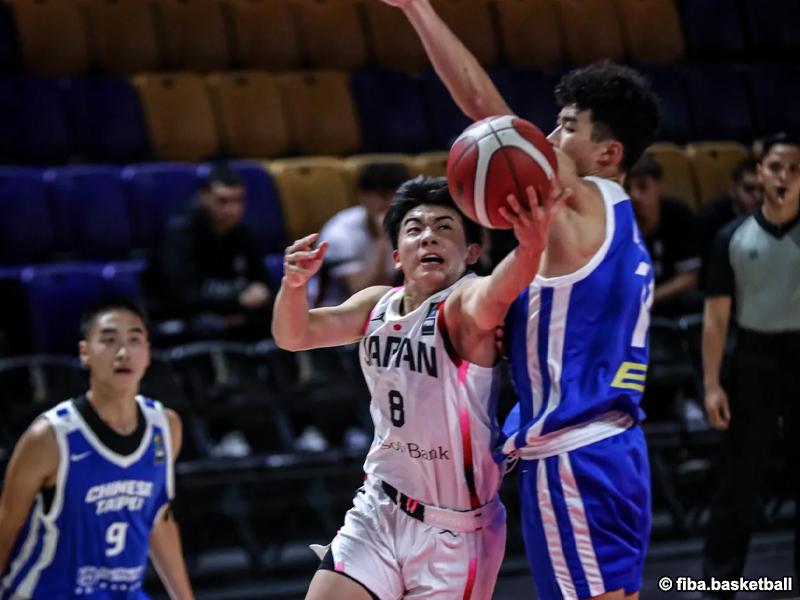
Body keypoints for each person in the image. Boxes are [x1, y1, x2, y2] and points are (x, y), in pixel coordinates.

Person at [378, 1, 660, 597]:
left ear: (608, 153)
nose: (548, 138)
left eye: (567, 127)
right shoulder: (624, 226)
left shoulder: (579, 204)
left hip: (573, 458)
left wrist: (417, 10)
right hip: (620, 450)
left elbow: (484, 109)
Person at [273, 175, 566, 600]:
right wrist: (294, 285)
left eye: (444, 227)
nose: (429, 236)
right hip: (381, 506)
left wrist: (530, 247)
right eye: (414, 229)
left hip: (455, 531)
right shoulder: (375, 304)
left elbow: (499, 289)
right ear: (397, 255)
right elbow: (293, 335)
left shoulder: (465, 304)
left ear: (471, 252)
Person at [0, 296, 194, 600]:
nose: (123, 352)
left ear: (147, 353)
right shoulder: (49, 437)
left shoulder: (165, 427)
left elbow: (158, 518)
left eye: (134, 340)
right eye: (109, 340)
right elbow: (5, 526)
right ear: (85, 353)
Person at [701, 132, 800, 599]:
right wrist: (712, 385)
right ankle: (719, 583)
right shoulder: (732, 238)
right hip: (754, 359)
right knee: (738, 480)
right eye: (776, 167)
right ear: (761, 173)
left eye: (795, 169)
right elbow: (716, 319)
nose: (785, 177)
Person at [141, 163, 275, 345]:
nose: (232, 209)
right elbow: (181, 297)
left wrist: (261, 293)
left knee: (278, 320)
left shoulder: (243, 232)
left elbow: (264, 281)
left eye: (238, 200)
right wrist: (237, 301)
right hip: (178, 317)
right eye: (222, 201)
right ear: (203, 197)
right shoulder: (179, 234)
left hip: (229, 312)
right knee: (209, 328)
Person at [313, 162, 410, 307]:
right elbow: (362, 294)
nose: (391, 205)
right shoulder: (340, 233)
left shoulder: (410, 228)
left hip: (384, 309)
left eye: (397, 198)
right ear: (362, 196)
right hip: (335, 310)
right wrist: (384, 240)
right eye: (383, 196)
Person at [627, 153, 702, 317]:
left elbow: (689, 277)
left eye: (642, 186)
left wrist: (651, 298)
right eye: (627, 188)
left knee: (694, 300)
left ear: (659, 186)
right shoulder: (616, 220)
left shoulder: (679, 215)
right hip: (628, 303)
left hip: (666, 298)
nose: (634, 195)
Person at [696, 159, 763, 290]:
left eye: (762, 189)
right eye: (749, 189)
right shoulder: (708, 219)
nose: (757, 196)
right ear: (732, 189)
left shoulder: (777, 216)